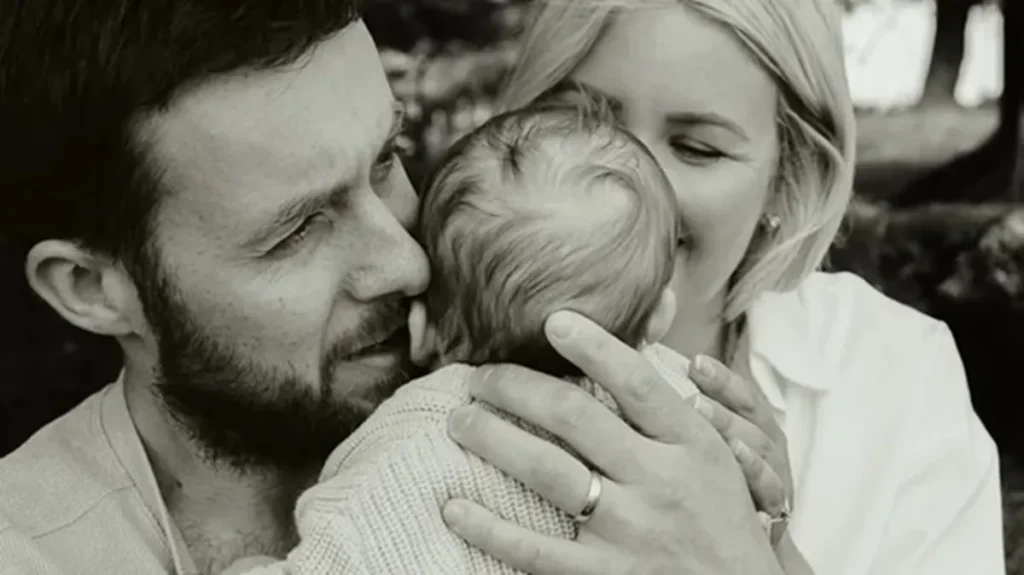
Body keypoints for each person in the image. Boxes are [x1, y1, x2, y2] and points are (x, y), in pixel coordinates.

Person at [0, 2, 810, 575]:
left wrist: (758, 547)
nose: (408, 262)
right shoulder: (34, 548)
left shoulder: (627, 445)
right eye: (297, 229)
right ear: (90, 287)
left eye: (388, 160)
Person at [444, 0, 1002, 573]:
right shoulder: (422, 341)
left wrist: (754, 554)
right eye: (583, 126)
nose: (630, 184)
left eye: (697, 149)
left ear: (788, 177)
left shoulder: (895, 374)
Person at [227, 95, 713, 574]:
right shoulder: (690, 419)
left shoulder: (414, 445)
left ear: (422, 328)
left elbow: (348, 551)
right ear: (659, 315)